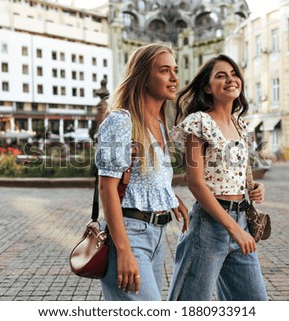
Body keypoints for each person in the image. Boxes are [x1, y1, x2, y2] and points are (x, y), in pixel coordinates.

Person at [167, 54, 268, 301]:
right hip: (209, 226)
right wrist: (233, 229)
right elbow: (196, 183)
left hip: (241, 220)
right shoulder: (198, 123)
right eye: (220, 76)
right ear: (207, 87)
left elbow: (237, 171)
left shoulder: (240, 125)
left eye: (234, 74)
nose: (230, 79)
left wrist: (255, 187)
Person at [95, 42, 189, 300]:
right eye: (164, 71)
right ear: (144, 77)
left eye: (175, 70)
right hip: (130, 235)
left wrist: (171, 197)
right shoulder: (121, 121)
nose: (174, 77)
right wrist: (123, 250)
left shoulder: (159, 124)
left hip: (157, 237)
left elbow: (145, 175)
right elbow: (107, 188)